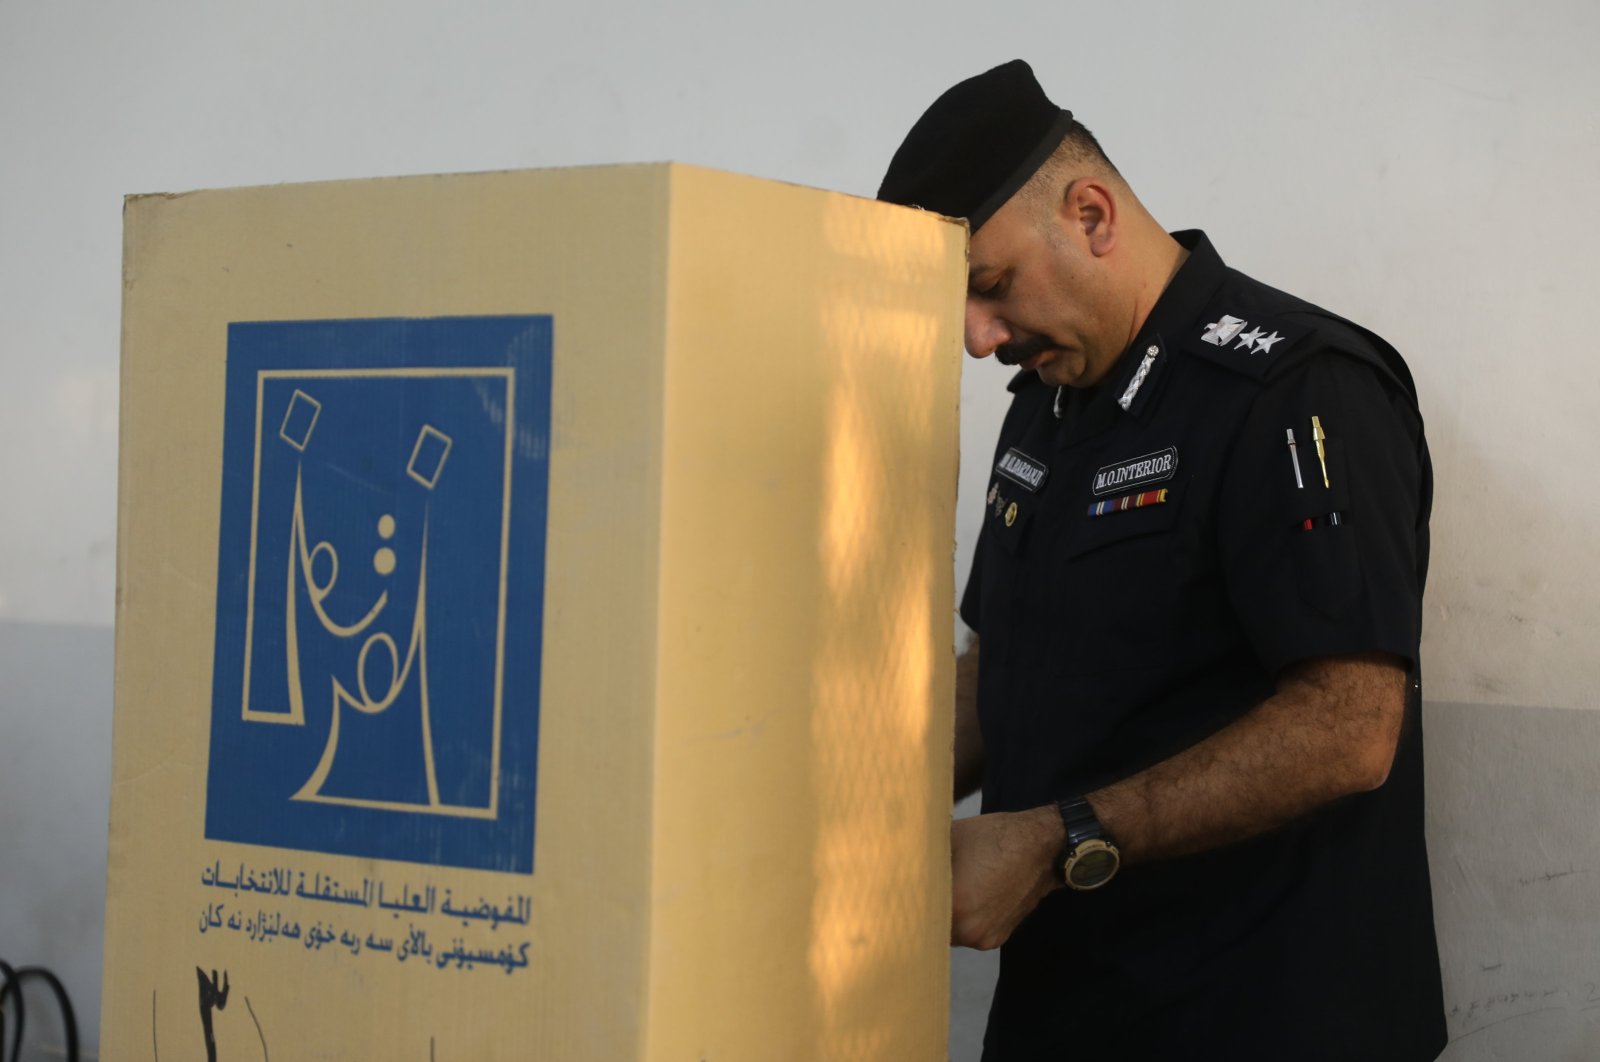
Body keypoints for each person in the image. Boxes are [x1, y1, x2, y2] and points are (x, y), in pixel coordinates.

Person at [878, 60, 1446, 1060]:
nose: (975, 341)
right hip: (1075, 1004)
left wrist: (1057, 842)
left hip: (1258, 1016)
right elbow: (998, 666)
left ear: (1091, 214)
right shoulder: (1048, 406)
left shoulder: (1292, 389)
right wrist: (851, 807)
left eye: (989, 286)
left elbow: (1350, 726)